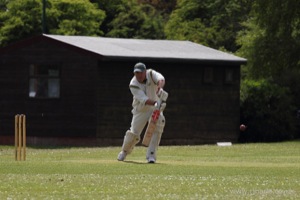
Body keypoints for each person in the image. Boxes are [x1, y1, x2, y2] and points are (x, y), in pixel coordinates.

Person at [117, 62, 167, 163]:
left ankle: (151, 156)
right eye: (136, 73)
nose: (138, 75)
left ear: (145, 72)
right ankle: (124, 151)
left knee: (158, 126)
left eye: (140, 73)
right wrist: (157, 103)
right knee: (133, 133)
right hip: (141, 110)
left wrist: (159, 88)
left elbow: (161, 79)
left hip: (154, 109)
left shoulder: (151, 74)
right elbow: (144, 100)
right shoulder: (133, 84)